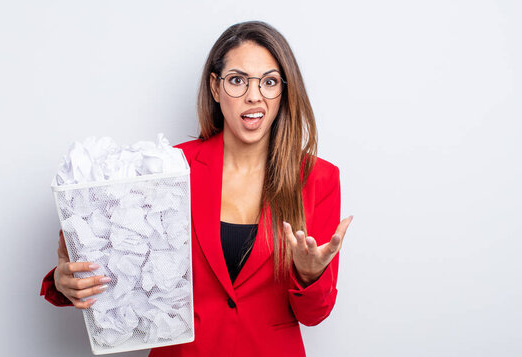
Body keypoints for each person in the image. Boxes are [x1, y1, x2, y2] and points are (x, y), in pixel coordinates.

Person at [40, 20, 353, 356]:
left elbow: (314, 315)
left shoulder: (318, 178)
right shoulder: (166, 168)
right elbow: (121, 268)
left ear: (284, 92)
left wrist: (309, 276)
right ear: (216, 88)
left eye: (269, 82)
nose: (253, 96)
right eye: (237, 80)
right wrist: (64, 283)